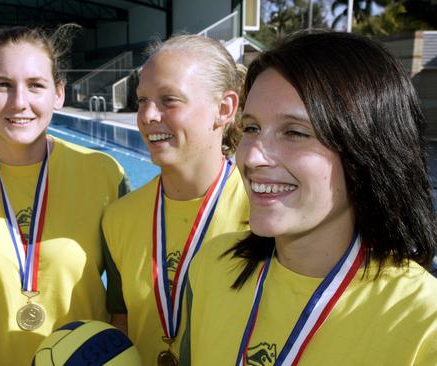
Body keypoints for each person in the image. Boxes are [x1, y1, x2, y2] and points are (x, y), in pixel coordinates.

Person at [182, 31, 437, 365]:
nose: (254, 157)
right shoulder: (211, 267)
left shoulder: (423, 324)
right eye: (251, 128)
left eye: (295, 133)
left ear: (366, 149)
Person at [0, 25, 127, 365]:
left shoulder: (103, 174)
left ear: (58, 94)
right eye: (3, 85)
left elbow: (123, 301)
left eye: (36, 85)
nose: (20, 103)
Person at [101, 34, 250, 365]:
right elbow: (121, 321)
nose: (148, 115)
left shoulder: (263, 215)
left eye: (169, 100)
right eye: (141, 100)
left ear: (224, 109)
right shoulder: (118, 218)